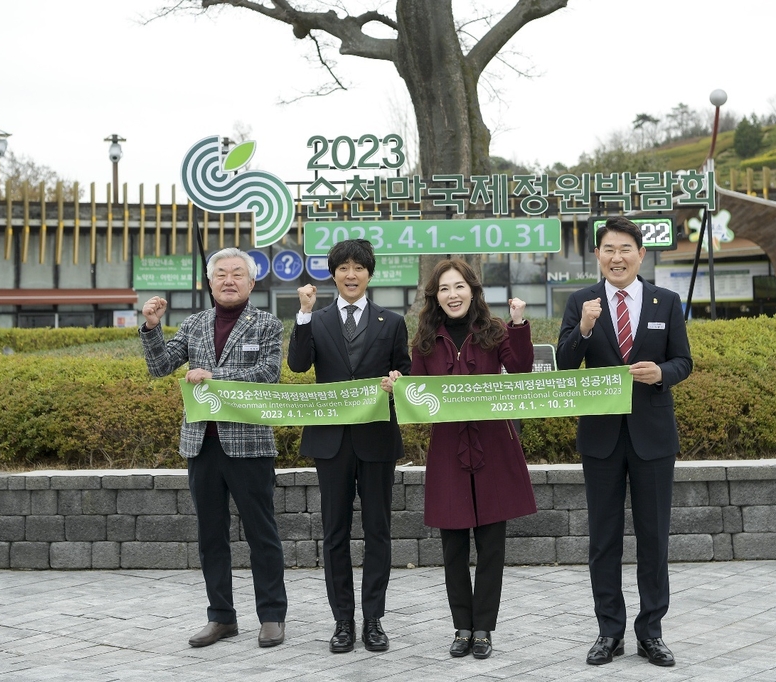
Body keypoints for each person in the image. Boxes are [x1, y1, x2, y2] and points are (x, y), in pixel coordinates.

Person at [556, 216, 692, 668]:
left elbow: (683, 361)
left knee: (654, 539)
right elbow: (563, 363)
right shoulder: (582, 301)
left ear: (641, 254)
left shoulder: (666, 301)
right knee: (604, 540)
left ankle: (650, 632)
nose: (617, 257)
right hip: (601, 437)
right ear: (598, 255)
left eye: (625, 249)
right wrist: (586, 329)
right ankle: (608, 632)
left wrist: (662, 374)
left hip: (652, 436)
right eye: (609, 249)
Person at [387, 259, 536, 660]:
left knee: (491, 547)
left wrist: (519, 323)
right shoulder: (424, 339)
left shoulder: (495, 331)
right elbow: (416, 393)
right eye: (444, 289)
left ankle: (484, 628)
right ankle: (462, 627)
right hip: (448, 450)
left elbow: (521, 368)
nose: (452, 295)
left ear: (473, 290)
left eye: (459, 286)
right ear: (435, 296)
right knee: (452, 546)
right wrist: (401, 384)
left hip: (494, 447)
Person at [139, 247, 287, 649]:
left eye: (238, 273)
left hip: (250, 444)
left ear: (252, 282)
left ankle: (272, 615)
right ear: (210, 281)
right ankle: (221, 617)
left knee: (262, 534)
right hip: (201, 445)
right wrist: (152, 329)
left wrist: (213, 375)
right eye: (221, 273)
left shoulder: (267, 325)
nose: (229, 280)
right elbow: (160, 366)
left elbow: (268, 374)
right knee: (210, 537)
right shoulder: (194, 324)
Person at [287, 239, 412, 654]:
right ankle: (342, 621)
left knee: (378, 530)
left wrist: (397, 382)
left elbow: (406, 373)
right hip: (332, 441)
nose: (351, 274)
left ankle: (373, 619)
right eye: (343, 268)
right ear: (333, 274)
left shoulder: (391, 322)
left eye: (359, 267)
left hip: (376, 438)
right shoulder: (316, 319)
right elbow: (299, 364)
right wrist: (302, 314)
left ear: (370, 274)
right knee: (335, 533)